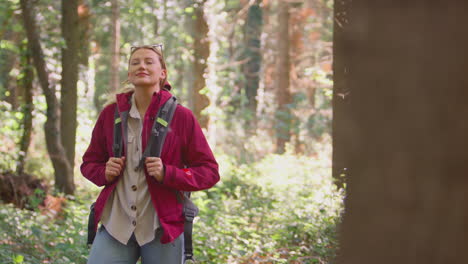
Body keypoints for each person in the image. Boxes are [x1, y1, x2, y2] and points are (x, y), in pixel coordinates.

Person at [81, 44, 220, 264]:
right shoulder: (110, 115)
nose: (141, 66)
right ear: (129, 74)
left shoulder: (182, 117)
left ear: (162, 73)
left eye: (149, 61)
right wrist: (103, 172)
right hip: (116, 225)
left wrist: (169, 173)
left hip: (162, 228)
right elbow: (89, 163)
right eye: (135, 62)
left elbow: (209, 172)